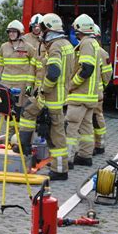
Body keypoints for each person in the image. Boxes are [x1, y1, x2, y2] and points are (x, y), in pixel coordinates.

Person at [19, 13, 75, 180]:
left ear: (48, 29)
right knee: (30, 114)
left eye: (43, 28)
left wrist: (43, 89)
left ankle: (59, 169)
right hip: (60, 97)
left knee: (56, 135)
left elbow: (54, 72)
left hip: (52, 98)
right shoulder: (66, 44)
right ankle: (26, 147)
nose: (41, 32)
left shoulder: (56, 46)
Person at [65, 14, 101, 168]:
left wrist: (72, 85)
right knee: (86, 128)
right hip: (90, 96)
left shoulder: (86, 44)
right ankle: (85, 157)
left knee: (70, 128)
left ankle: (66, 160)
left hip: (79, 96)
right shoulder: (94, 44)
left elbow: (86, 69)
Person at [0, 20, 40, 133]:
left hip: (22, 85)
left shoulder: (28, 47)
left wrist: (31, 84)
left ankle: (20, 134)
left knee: (20, 109)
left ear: (20, 33)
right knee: (8, 110)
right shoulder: (4, 47)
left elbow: (34, 63)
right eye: (9, 32)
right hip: (7, 84)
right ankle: (11, 133)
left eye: (14, 32)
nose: (11, 34)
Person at [93, 24, 113, 155]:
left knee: (88, 120)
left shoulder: (82, 51)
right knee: (97, 117)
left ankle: (92, 146)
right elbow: (107, 75)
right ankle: (100, 145)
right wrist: (103, 86)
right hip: (98, 92)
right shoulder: (102, 53)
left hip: (87, 93)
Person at [23, 13, 46, 88]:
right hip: (26, 74)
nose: (36, 29)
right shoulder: (25, 39)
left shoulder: (47, 39)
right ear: (30, 27)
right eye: (34, 26)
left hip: (41, 73)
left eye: (38, 27)